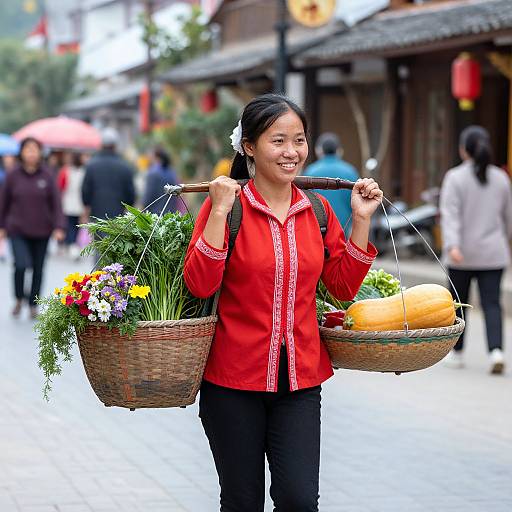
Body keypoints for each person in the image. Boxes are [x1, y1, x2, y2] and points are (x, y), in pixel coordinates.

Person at [183, 94, 382, 511]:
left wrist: (361, 219)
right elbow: (200, 285)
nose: (292, 152)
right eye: (278, 141)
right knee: (242, 501)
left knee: (298, 500)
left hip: (300, 382)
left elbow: (342, 288)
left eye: (299, 140)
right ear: (249, 147)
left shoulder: (318, 210)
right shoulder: (228, 208)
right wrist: (218, 211)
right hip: (231, 383)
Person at [440, 125, 512, 375]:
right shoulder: (501, 178)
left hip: (462, 254)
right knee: (492, 303)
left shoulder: (454, 177)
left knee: (458, 304)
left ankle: (457, 353)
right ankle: (496, 352)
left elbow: (450, 216)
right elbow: (508, 218)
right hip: (494, 253)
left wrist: (453, 245)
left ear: (463, 150)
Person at [0, 137, 66, 318]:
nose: (31, 153)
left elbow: (56, 204)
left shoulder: (47, 175)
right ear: (21, 152)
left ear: (40, 153)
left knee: (38, 268)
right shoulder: (13, 175)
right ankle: (19, 297)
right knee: (20, 265)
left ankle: (33, 304)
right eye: (27, 149)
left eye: (34, 149)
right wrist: (2, 226)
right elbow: (3, 202)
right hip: (17, 229)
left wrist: (59, 226)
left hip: (42, 230)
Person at [303, 132, 359, 231]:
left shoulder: (310, 172)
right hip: (343, 229)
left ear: (319, 151)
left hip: (317, 229)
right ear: (339, 151)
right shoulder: (350, 171)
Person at [81, 127, 135, 221]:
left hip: (97, 214)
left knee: (99, 235)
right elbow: (130, 193)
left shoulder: (91, 166)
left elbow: (85, 191)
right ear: (115, 145)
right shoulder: (125, 167)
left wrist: (87, 205)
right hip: (118, 216)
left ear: (101, 144)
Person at [58, 153, 86, 259]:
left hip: (68, 202)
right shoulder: (84, 172)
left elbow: (61, 186)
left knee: (69, 225)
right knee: (76, 225)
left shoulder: (66, 171)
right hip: (80, 203)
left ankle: (71, 244)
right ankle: (73, 244)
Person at [142, 147, 182, 214]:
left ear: (156, 157)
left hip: (155, 214)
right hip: (170, 213)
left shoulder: (153, 173)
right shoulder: (171, 172)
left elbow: (148, 197)